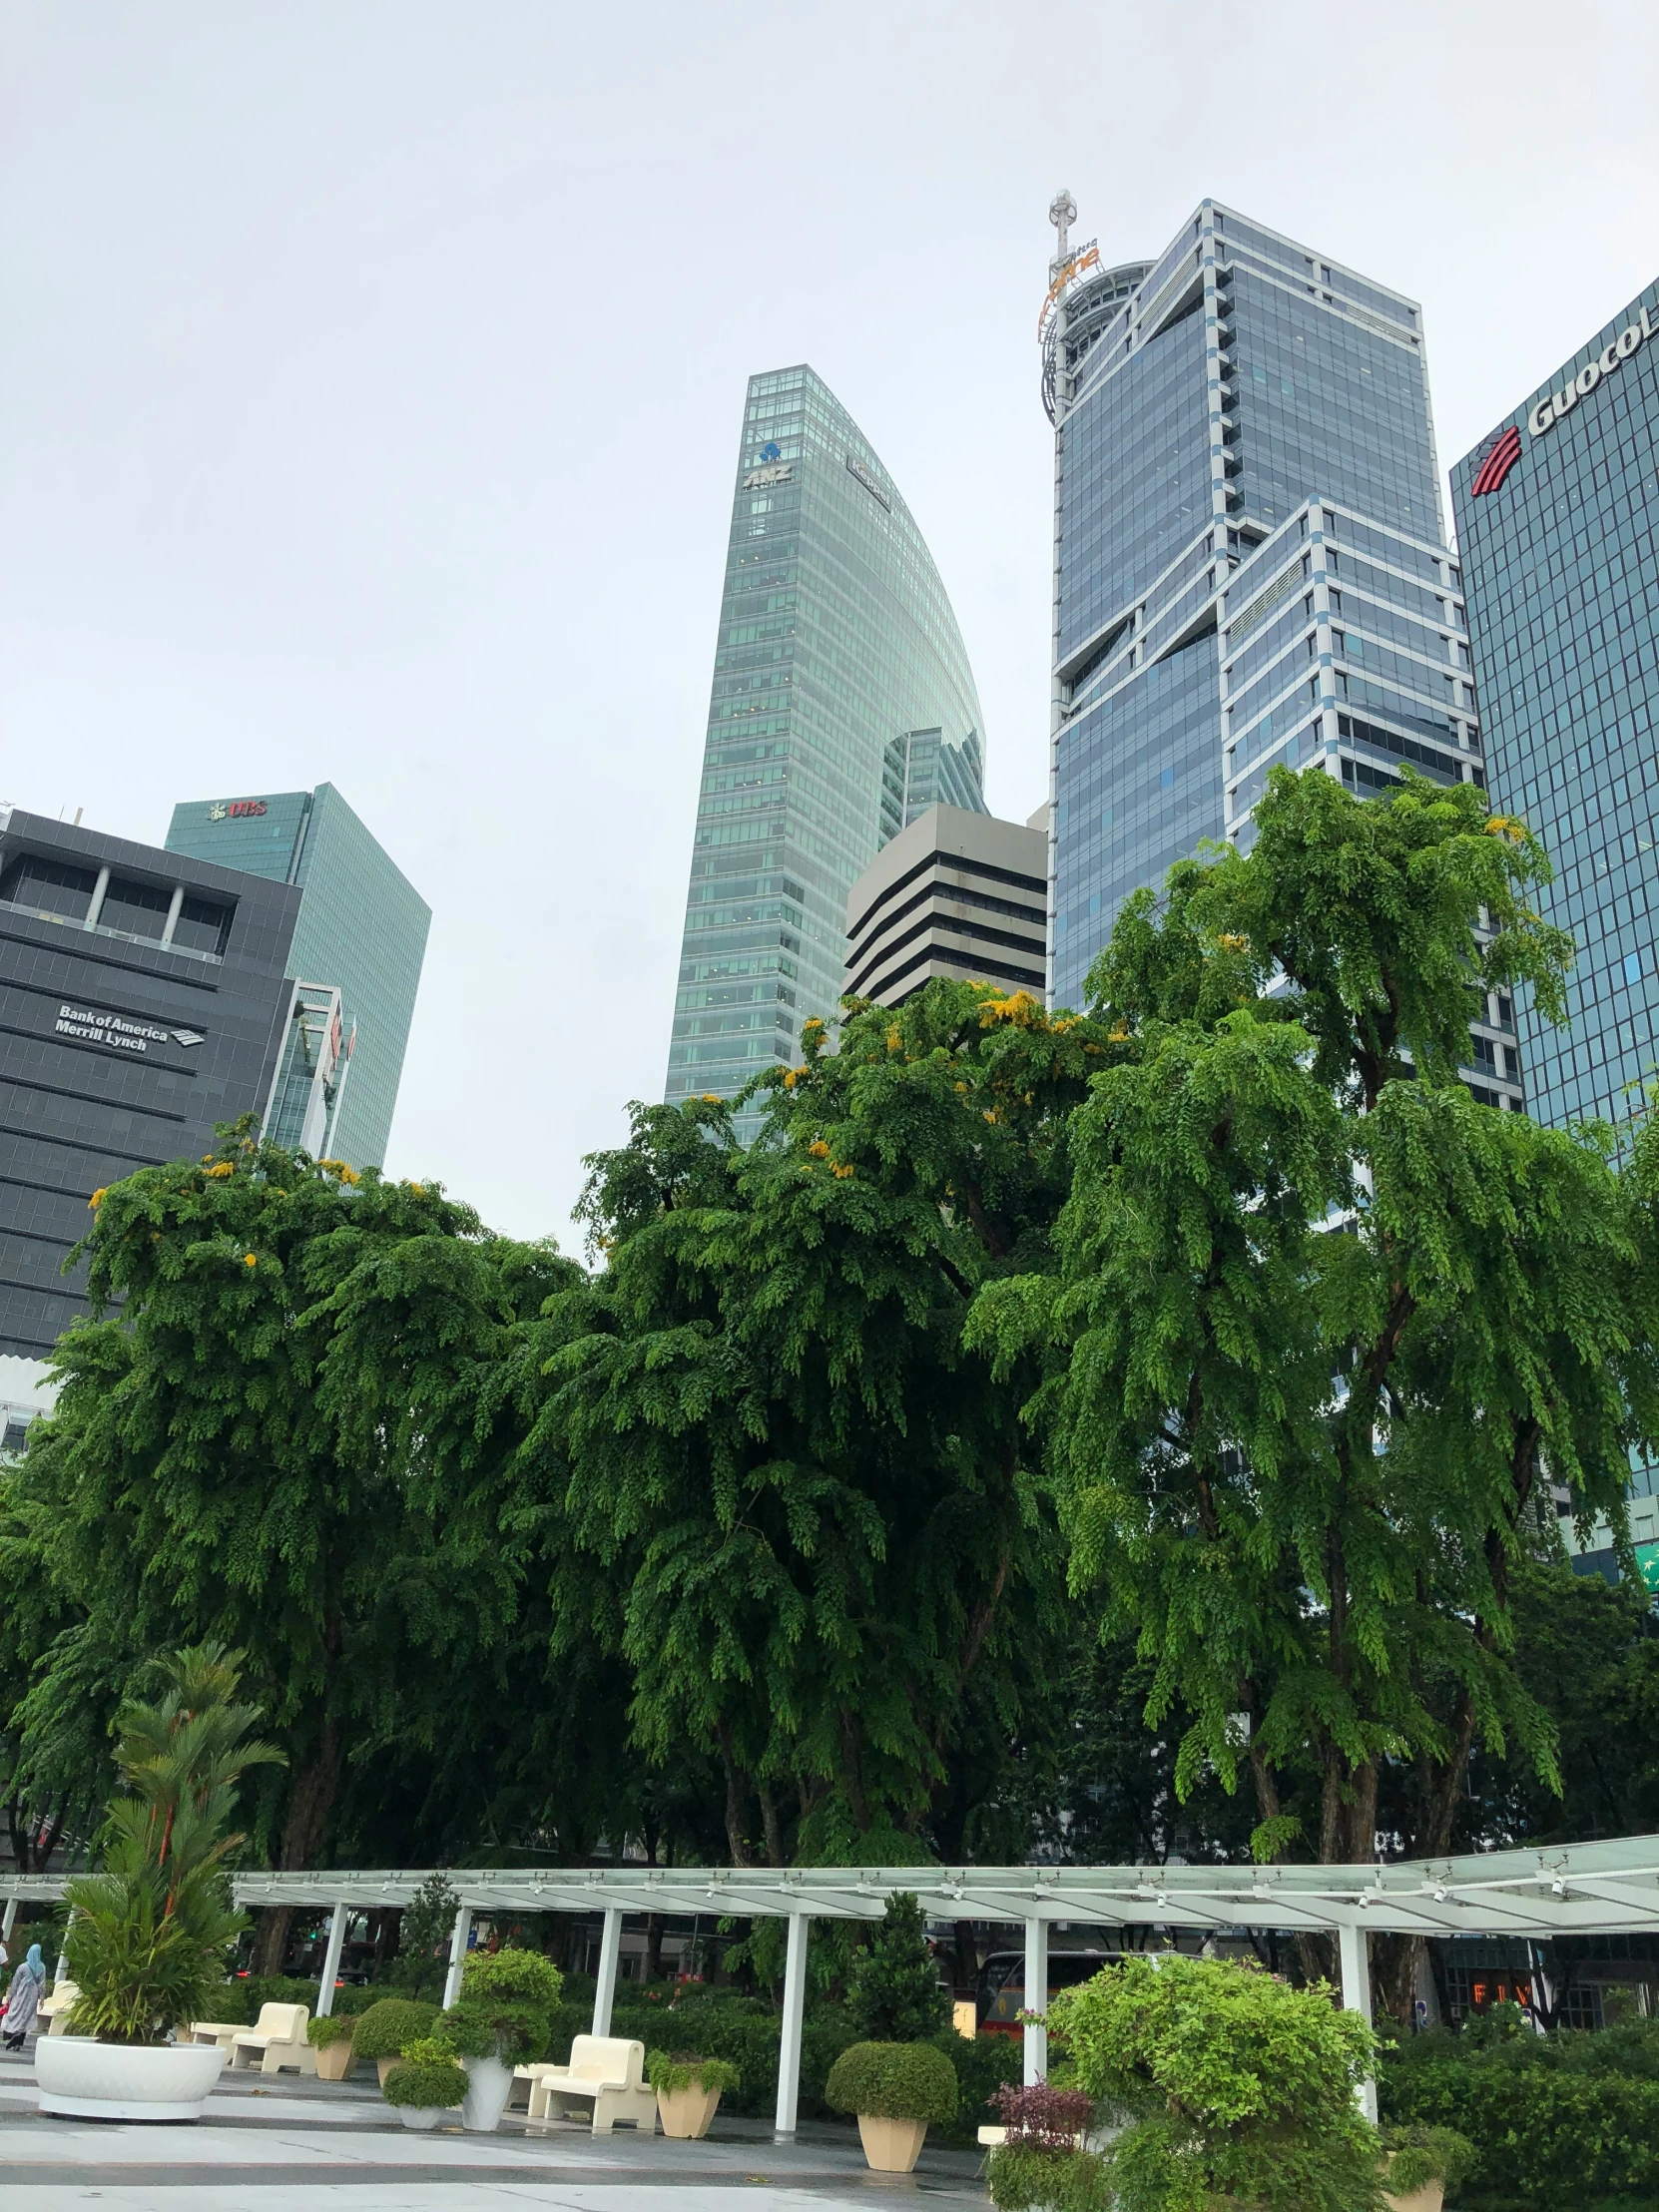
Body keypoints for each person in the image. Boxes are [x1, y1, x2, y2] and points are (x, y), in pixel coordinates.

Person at [1, 1942, 45, 2050]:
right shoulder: (41, 1967)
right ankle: (19, 2040)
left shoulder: (23, 1967)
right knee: (26, 2016)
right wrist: (42, 1997)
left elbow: (15, 1982)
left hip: (21, 1993)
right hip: (33, 1995)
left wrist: (10, 1996)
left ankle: (11, 2035)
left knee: (15, 2012)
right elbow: (42, 1983)